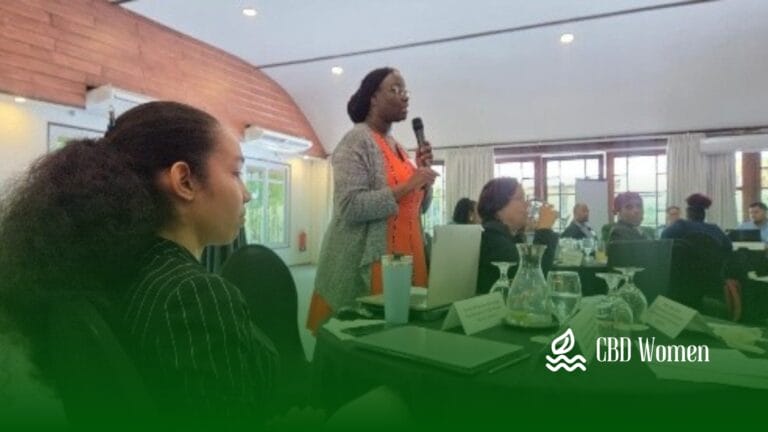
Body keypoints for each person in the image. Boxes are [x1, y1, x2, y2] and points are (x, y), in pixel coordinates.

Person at [0, 101, 279, 427]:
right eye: (236, 173)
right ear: (185, 181)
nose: (247, 194)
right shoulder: (195, 294)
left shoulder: (113, 272)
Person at [307, 67, 438, 332]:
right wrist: (409, 184)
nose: (404, 96)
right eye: (395, 90)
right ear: (373, 98)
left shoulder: (398, 147)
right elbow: (350, 207)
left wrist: (424, 181)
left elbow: (418, 209)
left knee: (405, 340)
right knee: (372, 340)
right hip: (373, 261)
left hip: (408, 259)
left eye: (405, 91)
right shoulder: (356, 140)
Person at [476, 177, 558, 294]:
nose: (527, 205)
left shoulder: (508, 236)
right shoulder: (490, 237)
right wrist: (544, 229)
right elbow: (533, 279)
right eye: (520, 198)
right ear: (499, 206)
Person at [662, 194, 732, 255]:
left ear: (688, 212)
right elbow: (729, 248)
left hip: (684, 265)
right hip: (713, 265)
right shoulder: (715, 229)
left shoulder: (681, 225)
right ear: (704, 214)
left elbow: (663, 241)